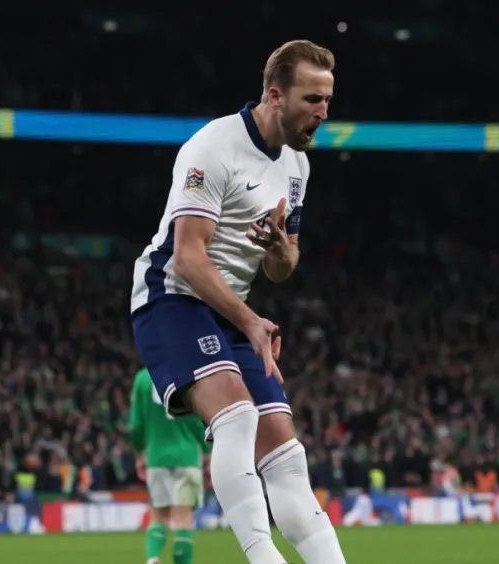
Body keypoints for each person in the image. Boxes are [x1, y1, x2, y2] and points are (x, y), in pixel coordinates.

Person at [129, 39, 346, 563]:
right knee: (237, 416)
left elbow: (281, 266)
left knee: (288, 459)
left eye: (327, 100)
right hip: (171, 297)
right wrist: (250, 321)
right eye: (311, 99)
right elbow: (187, 257)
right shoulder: (213, 147)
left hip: (229, 309)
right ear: (275, 95)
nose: (322, 111)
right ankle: (261, 556)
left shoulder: (297, 167)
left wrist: (281, 251)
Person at [130, 367, 210, 564]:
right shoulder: (185, 370)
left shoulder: (142, 378)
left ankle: (153, 558)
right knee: (184, 518)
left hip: (156, 457)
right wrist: (207, 449)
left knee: (158, 516)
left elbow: (136, 424)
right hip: (187, 457)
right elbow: (195, 421)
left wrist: (140, 451)